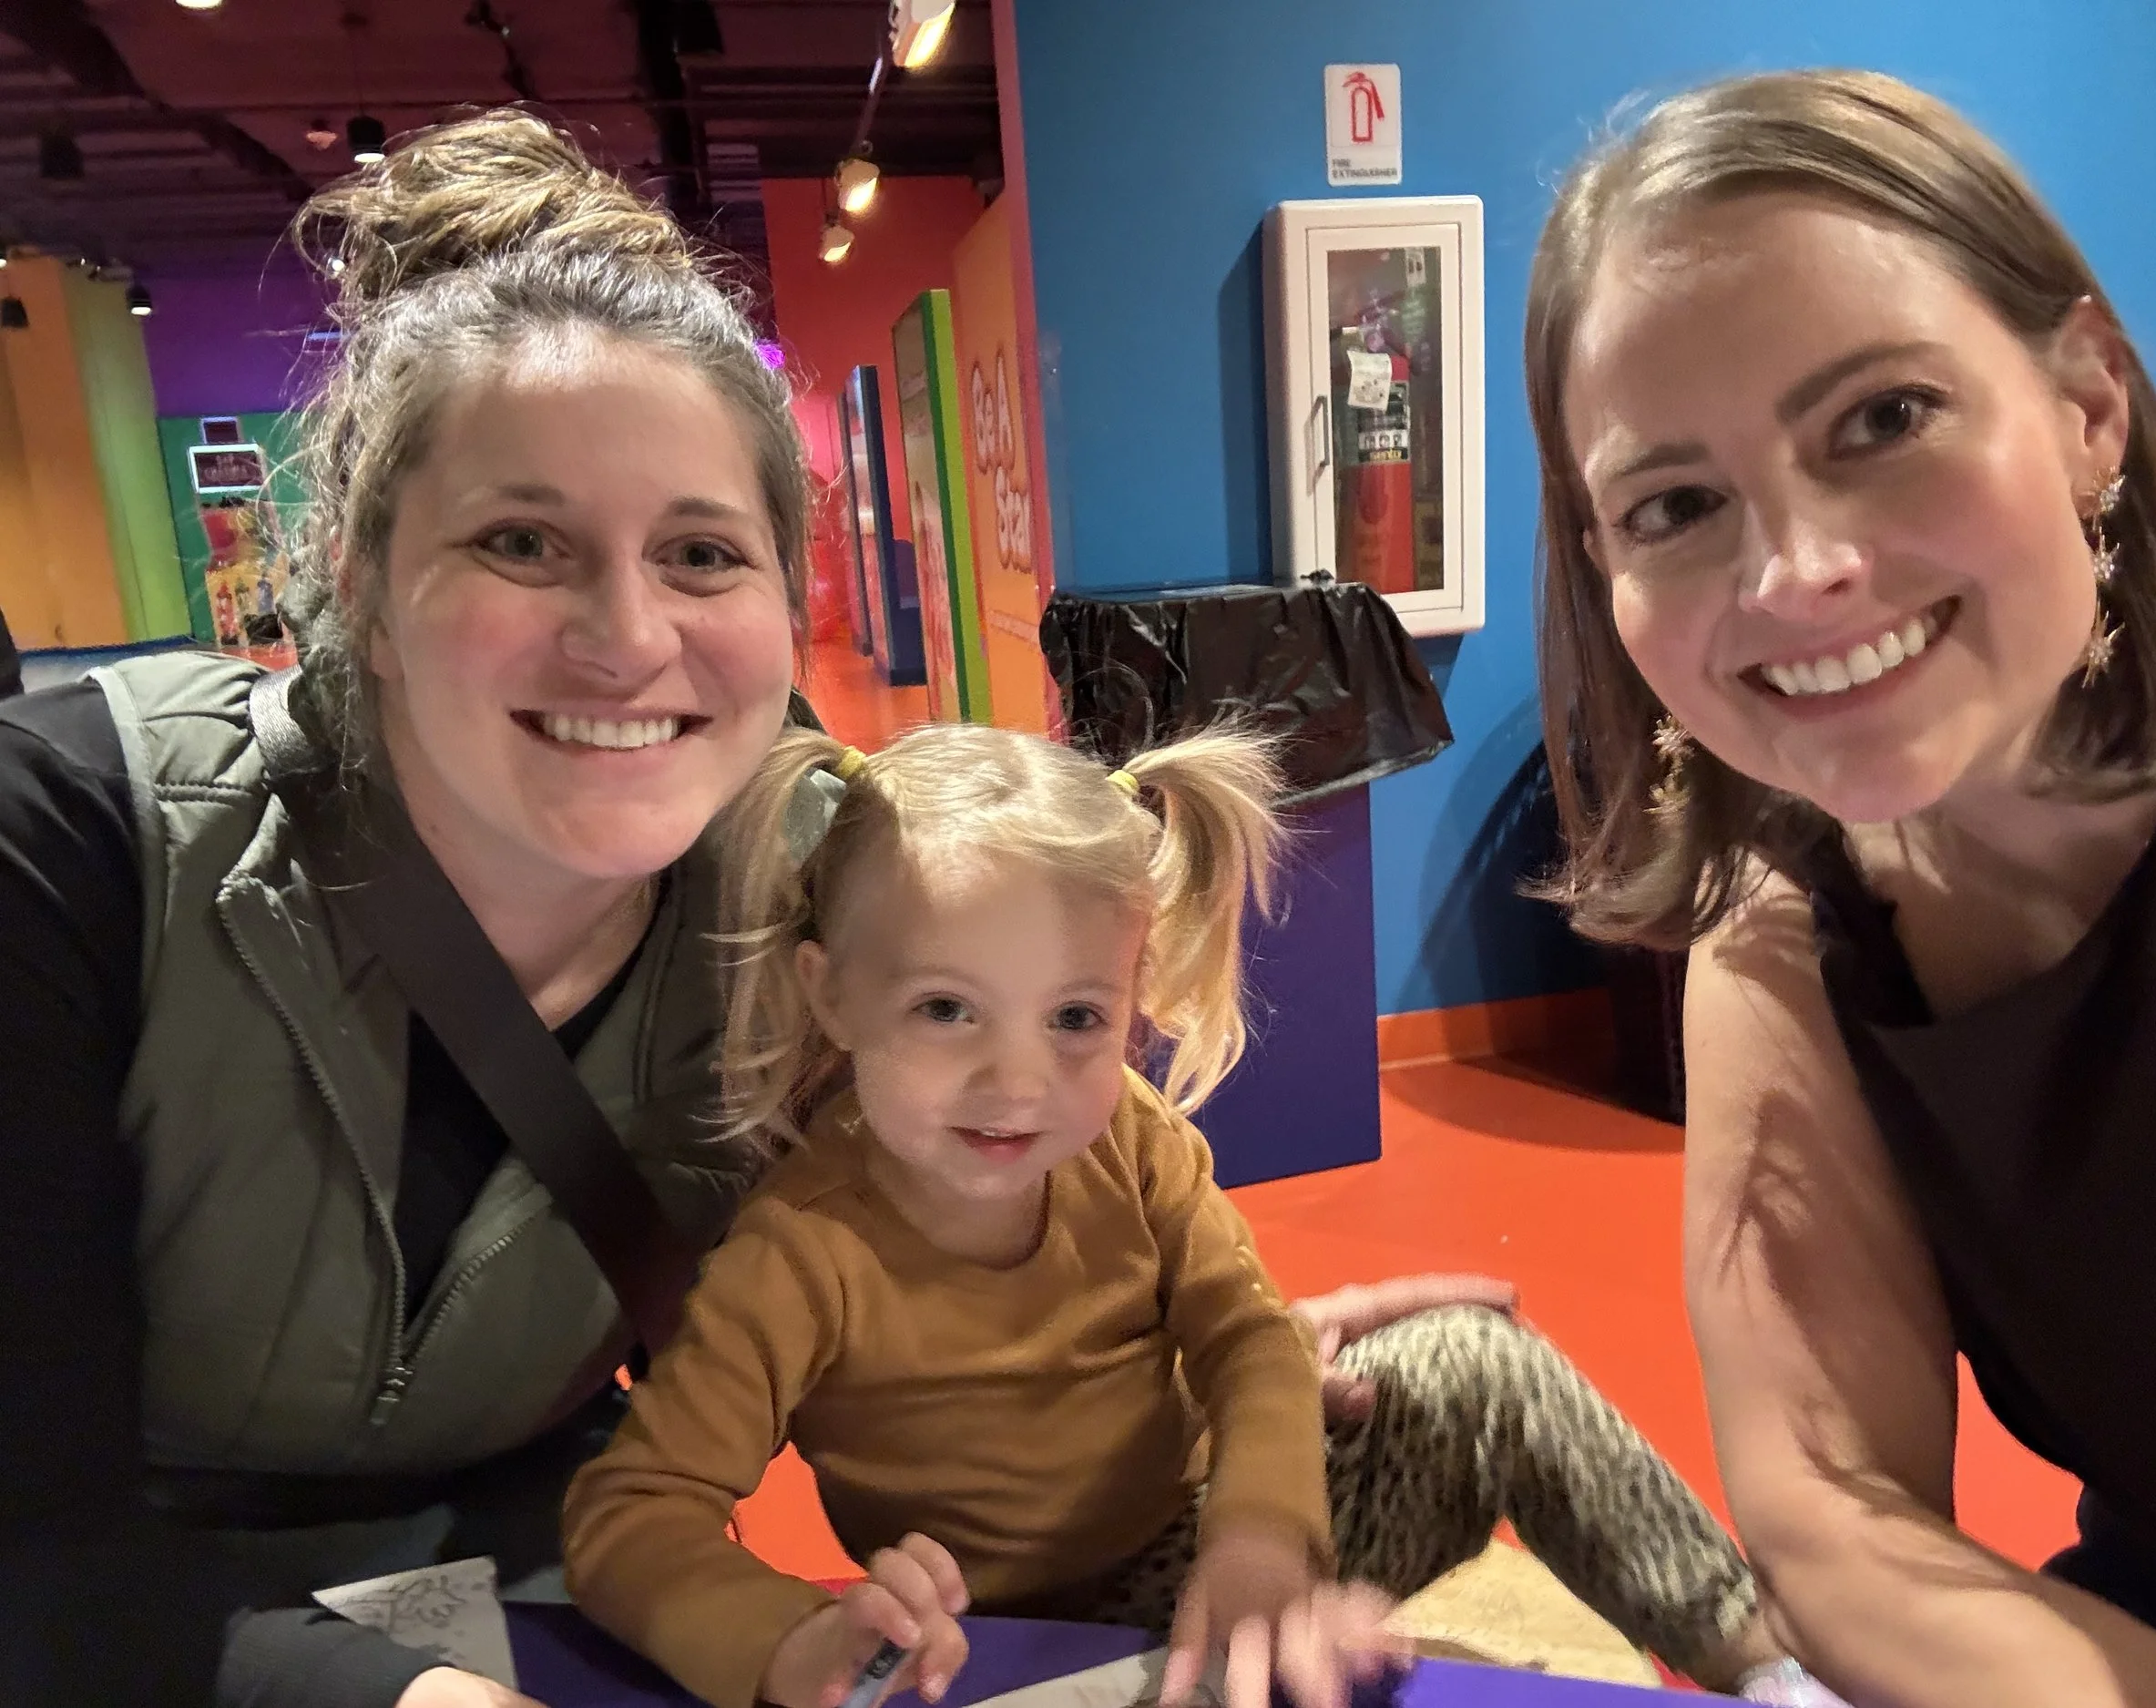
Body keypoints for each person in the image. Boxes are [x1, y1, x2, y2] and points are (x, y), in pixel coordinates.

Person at [0, 111, 827, 1708]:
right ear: (364, 591)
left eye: (704, 553)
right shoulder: (74, 849)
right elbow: (38, 1548)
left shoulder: (811, 888)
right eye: (522, 541)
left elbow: (959, 1304)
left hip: (541, 1597)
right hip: (119, 1626)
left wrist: (1200, 1385)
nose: (627, 635)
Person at [560, 721, 1841, 1708]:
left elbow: (1248, 1336)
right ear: (830, 997)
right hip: (1006, 1647)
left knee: (1474, 1358)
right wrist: (786, 1639)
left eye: (1076, 1016)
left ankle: (1764, 1661)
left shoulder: (1129, 1131)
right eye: (947, 1009)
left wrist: (1261, 1536)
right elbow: (631, 1517)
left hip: (1206, 1554)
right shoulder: (798, 1253)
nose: (1021, 1080)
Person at [1526, 67, 2156, 1708]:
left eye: (1882, 417)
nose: (1795, 573)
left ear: (2089, 399)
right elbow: (1834, 1509)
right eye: (1675, 506)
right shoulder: (1783, 941)